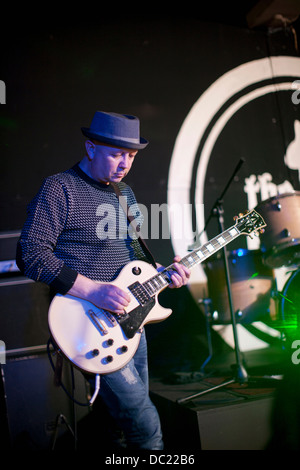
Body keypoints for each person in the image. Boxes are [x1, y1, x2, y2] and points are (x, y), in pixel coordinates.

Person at [16, 111, 190, 450]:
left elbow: (136, 261)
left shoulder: (125, 193)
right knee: (145, 424)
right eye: (116, 153)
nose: (124, 164)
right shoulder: (59, 188)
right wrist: (94, 291)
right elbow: (31, 254)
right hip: (88, 324)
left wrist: (168, 274)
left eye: (131, 156)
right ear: (91, 147)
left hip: (131, 325)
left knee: (116, 426)